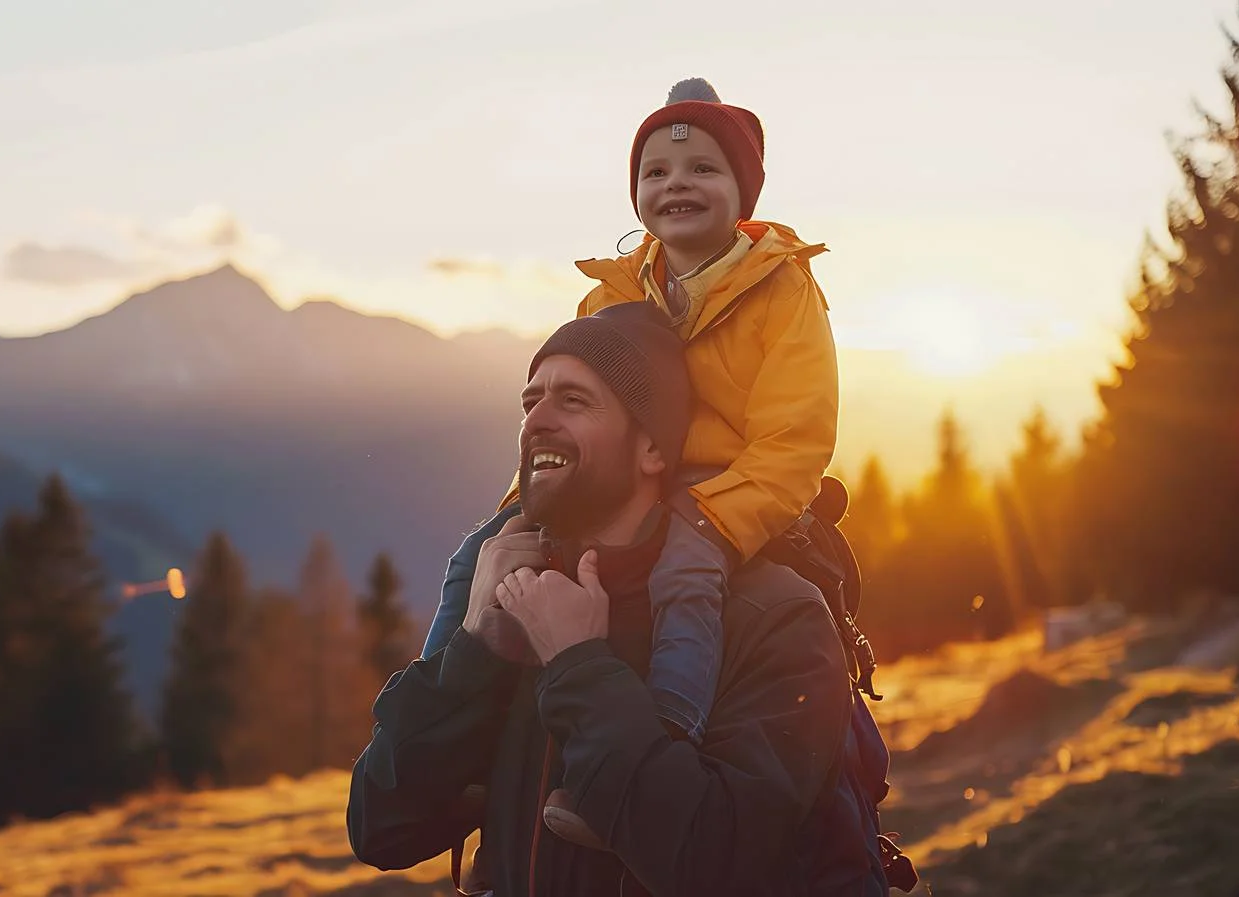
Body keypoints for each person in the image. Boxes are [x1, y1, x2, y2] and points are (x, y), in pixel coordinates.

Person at [420, 76, 841, 846]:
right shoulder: (616, 293)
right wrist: (525, 503)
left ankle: (667, 741)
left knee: (684, 573)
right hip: (625, 479)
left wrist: (716, 518)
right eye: (656, 172)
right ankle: (459, 758)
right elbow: (571, 411)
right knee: (475, 559)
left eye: (704, 170)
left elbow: (796, 436)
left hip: (722, 488)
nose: (677, 184)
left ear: (743, 191)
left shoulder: (781, 289)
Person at [349, 302, 882, 896]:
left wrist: (578, 664)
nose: (538, 421)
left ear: (653, 449)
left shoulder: (772, 616)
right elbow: (380, 829)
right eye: (531, 401)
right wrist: (475, 649)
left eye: (574, 401)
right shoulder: (510, 601)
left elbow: (716, 861)